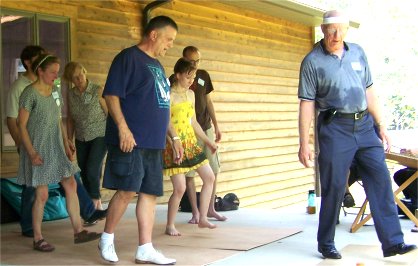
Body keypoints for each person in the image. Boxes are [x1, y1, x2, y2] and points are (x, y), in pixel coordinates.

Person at [297, 10, 416, 259]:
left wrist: (381, 124)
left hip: (364, 126)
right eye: (331, 30)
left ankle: (393, 242)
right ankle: (326, 242)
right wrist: (304, 143)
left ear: (347, 30)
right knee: (335, 186)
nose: (336, 35)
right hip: (334, 128)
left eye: (340, 30)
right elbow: (306, 103)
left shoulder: (358, 52)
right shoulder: (312, 61)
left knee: (381, 178)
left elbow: (370, 92)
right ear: (323, 30)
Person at [98, 16, 182, 264]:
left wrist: (174, 136)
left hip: (153, 143)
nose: (170, 45)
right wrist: (123, 129)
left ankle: (145, 248)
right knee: (127, 190)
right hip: (131, 140)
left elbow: (163, 105)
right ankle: (106, 239)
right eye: (169, 39)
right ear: (154, 35)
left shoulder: (157, 66)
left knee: (149, 193)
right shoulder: (128, 58)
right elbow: (111, 95)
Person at [5, 46, 105, 238]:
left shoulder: (56, 92)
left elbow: (59, 119)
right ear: (40, 71)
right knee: (41, 195)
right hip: (38, 148)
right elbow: (21, 125)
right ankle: (37, 237)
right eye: (52, 72)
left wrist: (67, 141)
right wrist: (31, 152)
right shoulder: (28, 93)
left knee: (71, 185)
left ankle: (79, 231)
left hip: (57, 147)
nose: (55, 76)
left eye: (57, 72)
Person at [164, 58, 217, 236]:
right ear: (178, 75)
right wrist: (172, 142)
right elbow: (165, 123)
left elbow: (193, 122)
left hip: (191, 143)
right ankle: (170, 225)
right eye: (188, 77)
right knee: (180, 188)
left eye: (193, 78)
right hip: (175, 145)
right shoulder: (169, 95)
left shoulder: (191, 95)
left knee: (209, 177)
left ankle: (202, 218)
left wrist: (208, 141)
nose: (191, 81)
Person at [182, 46, 226, 224]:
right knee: (190, 174)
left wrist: (216, 125)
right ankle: (195, 212)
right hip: (189, 132)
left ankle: (210, 209)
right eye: (191, 61)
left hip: (205, 127)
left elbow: (208, 100)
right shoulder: (176, 78)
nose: (195, 64)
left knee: (213, 169)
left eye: (197, 61)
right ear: (184, 59)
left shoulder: (203, 76)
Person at [63, 62, 108, 211]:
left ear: (84, 71)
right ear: (71, 80)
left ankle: (94, 203)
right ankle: (94, 204)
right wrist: (69, 139)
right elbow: (70, 119)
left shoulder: (97, 90)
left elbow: (109, 113)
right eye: (75, 78)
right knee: (83, 170)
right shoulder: (71, 94)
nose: (79, 79)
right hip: (81, 137)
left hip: (99, 135)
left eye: (80, 74)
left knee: (92, 169)